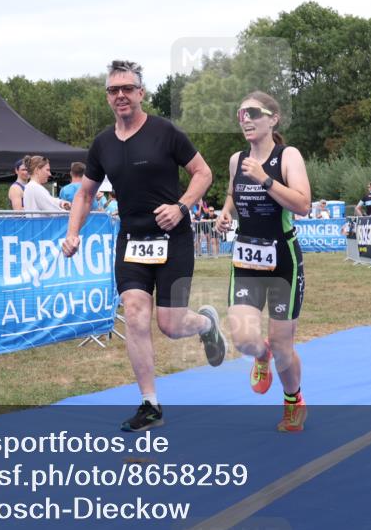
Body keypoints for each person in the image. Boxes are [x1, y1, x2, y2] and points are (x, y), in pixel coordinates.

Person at [62, 59, 226, 432]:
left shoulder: (166, 132)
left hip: (173, 237)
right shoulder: (102, 144)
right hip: (132, 240)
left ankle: (204, 324)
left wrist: (181, 207)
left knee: (170, 324)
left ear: (141, 93)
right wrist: (73, 232)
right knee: (134, 313)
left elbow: (204, 173)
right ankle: (150, 404)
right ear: (108, 97)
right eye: (113, 89)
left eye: (127, 88)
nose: (120, 95)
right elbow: (86, 193)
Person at [216, 91, 311, 432]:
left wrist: (266, 180)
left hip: (283, 262)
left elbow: (303, 205)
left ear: (273, 118)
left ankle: (293, 400)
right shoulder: (235, 159)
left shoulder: (288, 156)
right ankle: (260, 354)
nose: (246, 119)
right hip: (246, 258)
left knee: (285, 348)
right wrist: (226, 213)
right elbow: (231, 192)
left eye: (253, 113)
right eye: (240, 114)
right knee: (243, 339)